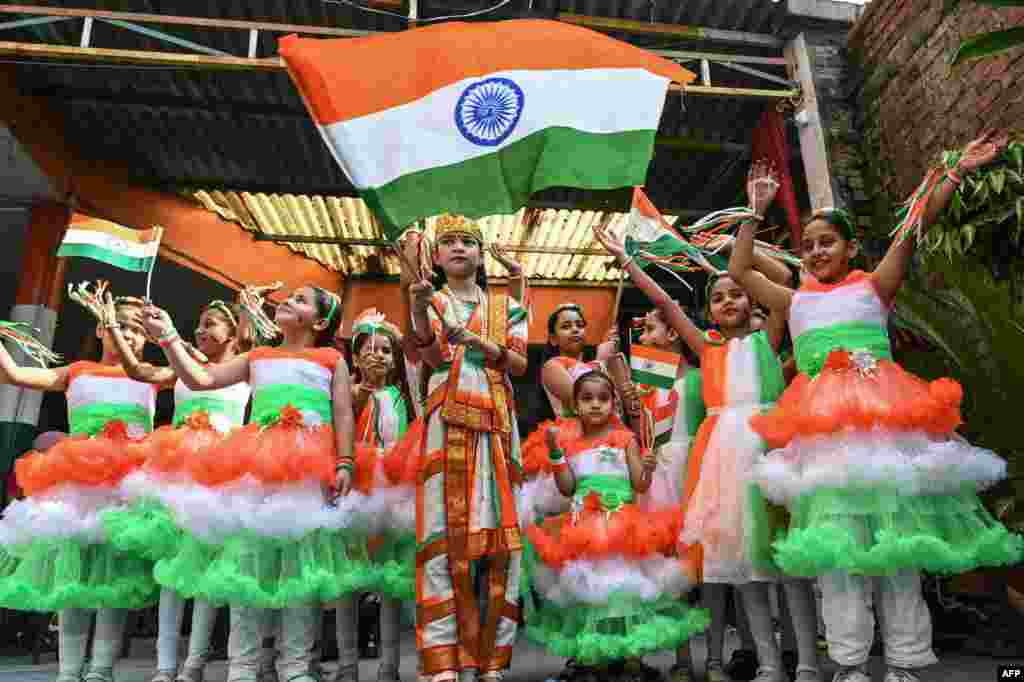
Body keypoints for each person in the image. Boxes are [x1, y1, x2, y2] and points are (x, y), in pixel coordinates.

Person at [730, 132, 1023, 682]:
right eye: (809, 244)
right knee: (838, 551)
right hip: (825, 441)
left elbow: (915, 225)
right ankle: (848, 663)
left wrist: (954, 171)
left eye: (827, 243)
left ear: (849, 249)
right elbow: (742, 270)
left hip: (887, 433)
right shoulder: (793, 301)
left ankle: (906, 662)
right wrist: (754, 211)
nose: (817, 252)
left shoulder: (875, 287)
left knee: (897, 547)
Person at [595, 220, 819, 682]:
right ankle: (771, 665)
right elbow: (664, 302)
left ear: (753, 300)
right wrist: (628, 260)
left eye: (736, 293)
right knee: (744, 569)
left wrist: (750, 226)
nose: (728, 301)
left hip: (771, 452)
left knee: (790, 565)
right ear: (710, 313)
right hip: (722, 463)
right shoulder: (705, 350)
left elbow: (785, 281)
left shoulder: (769, 337)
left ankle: (810, 664)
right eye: (717, 298)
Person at [140, 285, 356, 682]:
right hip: (255, 470)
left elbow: (343, 413)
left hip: (307, 474)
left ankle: (295, 668)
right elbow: (202, 377)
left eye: (300, 300)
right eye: (289, 297)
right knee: (247, 563)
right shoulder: (257, 356)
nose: (288, 301)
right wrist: (169, 336)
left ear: (320, 322)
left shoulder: (331, 360)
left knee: (300, 569)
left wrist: (344, 461)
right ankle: (241, 669)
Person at [0, 290, 158, 682]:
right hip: (79, 485)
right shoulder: (78, 370)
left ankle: (102, 669)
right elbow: (19, 375)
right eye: (122, 326)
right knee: (74, 577)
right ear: (102, 329)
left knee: (116, 579)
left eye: (139, 330)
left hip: (128, 485)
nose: (131, 336)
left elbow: (202, 374)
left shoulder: (152, 375)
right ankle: (69, 672)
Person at [96, 294, 254, 682]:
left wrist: (251, 307)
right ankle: (165, 667)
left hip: (223, 471)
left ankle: (194, 664)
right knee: (171, 568)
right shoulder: (184, 366)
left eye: (210, 323)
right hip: (176, 470)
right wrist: (116, 327)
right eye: (197, 324)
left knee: (207, 572)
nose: (200, 330)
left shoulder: (246, 368)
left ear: (234, 332)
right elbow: (141, 373)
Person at [404, 214, 528, 682]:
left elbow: (518, 364)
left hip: (496, 424)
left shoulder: (505, 306)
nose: (459, 248)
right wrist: (417, 312)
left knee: (503, 544)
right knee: (440, 537)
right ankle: (443, 663)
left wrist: (479, 342)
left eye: (468, 242)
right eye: (449, 242)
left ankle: (493, 661)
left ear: (480, 255)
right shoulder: (432, 299)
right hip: (446, 420)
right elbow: (432, 357)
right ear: (436, 257)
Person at [524, 369, 707, 678]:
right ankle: (595, 658)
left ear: (614, 404)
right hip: (584, 527)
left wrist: (647, 468)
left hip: (624, 528)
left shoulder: (626, 440)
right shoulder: (571, 443)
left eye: (603, 399)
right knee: (591, 591)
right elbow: (567, 487)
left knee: (625, 590)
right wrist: (556, 455)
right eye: (587, 399)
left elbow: (639, 483)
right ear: (575, 406)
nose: (596, 405)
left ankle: (632, 657)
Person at [335, 309, 415, 682]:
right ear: (354, 357)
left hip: (395, 492)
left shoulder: (403, 396)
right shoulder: (350, 391)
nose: (378, 355)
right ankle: (347, 665)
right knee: (349, 581)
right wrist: (361, 389)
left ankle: (389, 666)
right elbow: (344, 420)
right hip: (358, 491)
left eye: (386, 350)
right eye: (369, 348)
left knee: (390, 580)